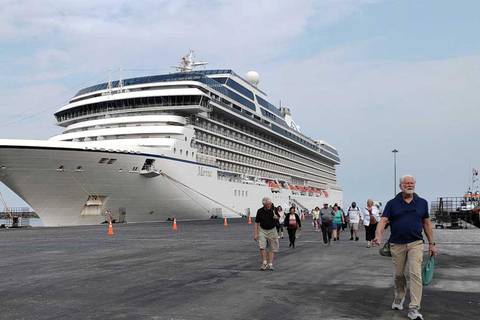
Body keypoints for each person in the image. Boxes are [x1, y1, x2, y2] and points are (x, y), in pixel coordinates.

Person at [374, 175, 437, 320]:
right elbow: (383, 221)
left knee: (415, 274)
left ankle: (414, 307)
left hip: (416, 243)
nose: (410, 185)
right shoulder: (392, 203)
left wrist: (432, 244)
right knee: (398, 274)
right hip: (397, 243)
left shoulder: (422, 202)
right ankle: (399, 296)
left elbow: (427, 224)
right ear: (400, 186)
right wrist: (378, 235)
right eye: (407, 183)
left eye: (412, 183)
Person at [254, 197, 280, 271]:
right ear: (264, 204)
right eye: (268, 204)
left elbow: (279, 217)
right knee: (262, 246)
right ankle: (264, 262)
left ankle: (270, 264)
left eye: (270, 203)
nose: (269, 205)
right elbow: (256, 222)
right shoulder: (260, 211)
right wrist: (255, 234)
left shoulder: (274, 209)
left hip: (272, 230)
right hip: (263, 230)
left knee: (272, 247)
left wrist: (276, 217)